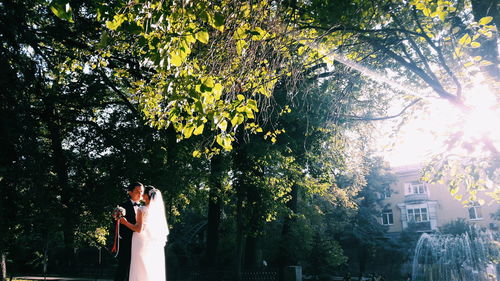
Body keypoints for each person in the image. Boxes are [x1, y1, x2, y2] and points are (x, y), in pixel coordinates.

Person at [120, 185, 169, 281]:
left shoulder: (141, 209)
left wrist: (125, 222)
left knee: (138, 265)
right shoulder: (157, 211)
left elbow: (138, 229)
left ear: (146, 196)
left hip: (140, 241)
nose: (141, 194)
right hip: (150, 241)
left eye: (143, 193)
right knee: (149, 265)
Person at [114, 182, 144, 281]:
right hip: (127, 242)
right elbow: (117, 224)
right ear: (130, 192)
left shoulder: (144, 208)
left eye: (141, 191)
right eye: (137, 191)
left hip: (140, 243)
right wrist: (116, 217)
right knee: (123, 268)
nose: (140, 194)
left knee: (137, 269)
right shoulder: (122, 207)